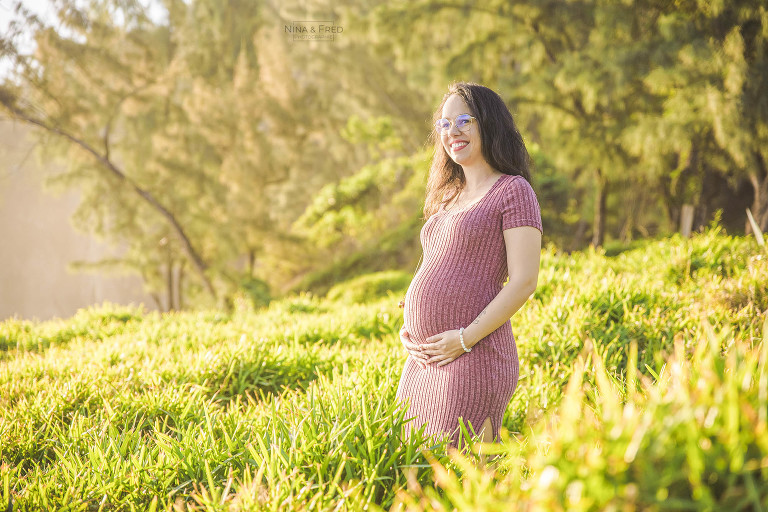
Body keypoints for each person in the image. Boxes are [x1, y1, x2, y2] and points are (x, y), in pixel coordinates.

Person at [396, 82, 543, 449]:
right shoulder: (448, 196)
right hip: (423, 360)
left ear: (489, 124)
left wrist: (464, 339)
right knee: (418, 476)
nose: (452, 132)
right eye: (444, 124)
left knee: (460, 475)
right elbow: (439, 264)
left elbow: (524, 281)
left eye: (464, 120)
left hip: (473, 358)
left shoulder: (513, 191)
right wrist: (412, 321)